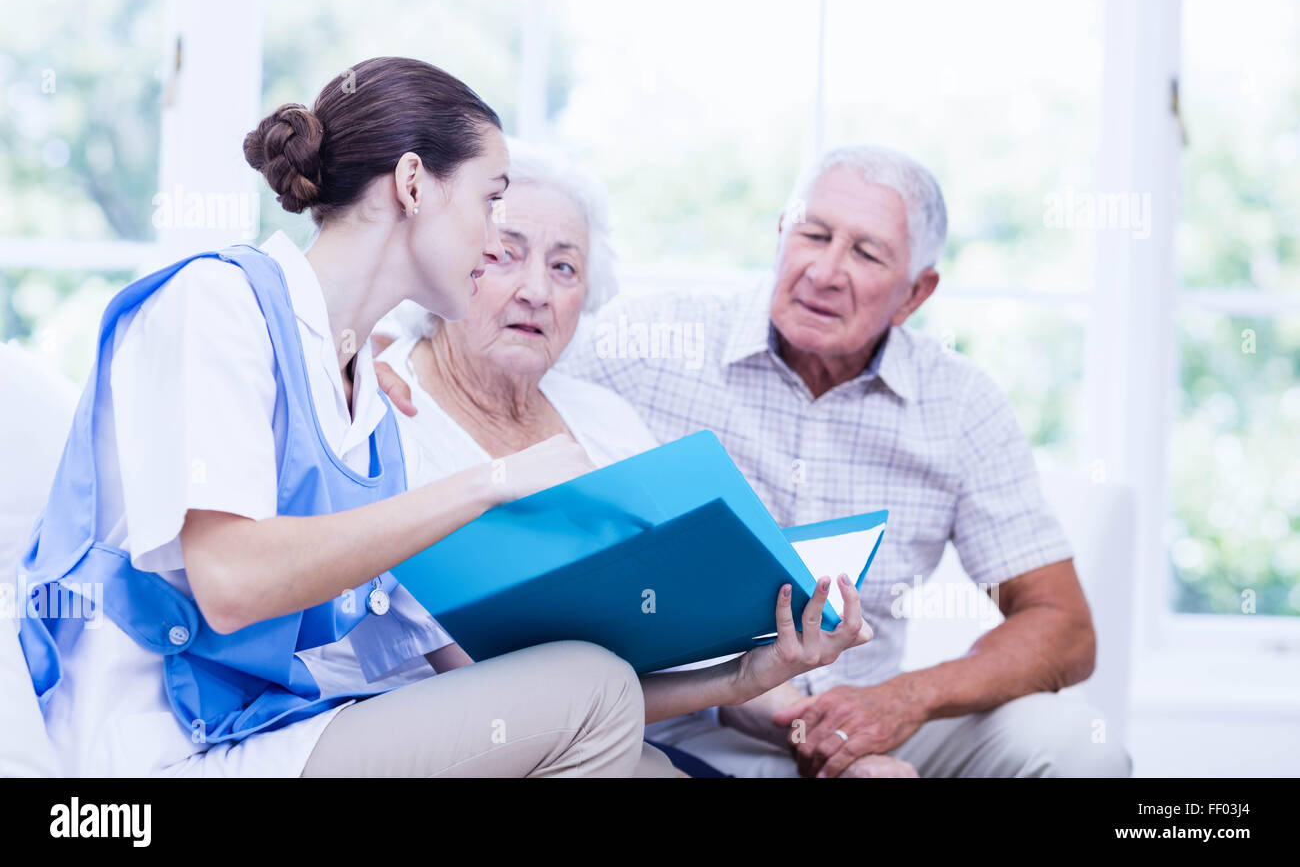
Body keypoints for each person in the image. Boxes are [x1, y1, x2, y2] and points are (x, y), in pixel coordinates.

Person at [376, 143, 1133, 778]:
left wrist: (905, 702)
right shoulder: (651, 347)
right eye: (811, 235)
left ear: (916, 293)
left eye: (867, 253)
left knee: (1072, 748)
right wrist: (372, 353)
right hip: (694, 714)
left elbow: (1064, 628)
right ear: (779, 234)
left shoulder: (960, 404)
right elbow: (493, 344)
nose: (826, 270)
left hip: (874, 708)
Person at [14, 57, 677, 778]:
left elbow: (472, 660)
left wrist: (740, 681)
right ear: (414, 183)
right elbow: (230, 583)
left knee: (614, 721)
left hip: (262, 734)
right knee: (594, 690)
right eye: (491, 201)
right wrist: (491, 479)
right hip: (151, 756)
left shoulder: (371, 412)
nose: (493, 242)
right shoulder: (217, 304)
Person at [359, 140, 871, 743]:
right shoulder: (383, 415)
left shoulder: (605, 418)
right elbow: (499, 690)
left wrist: (826, 735)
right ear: (453, 263)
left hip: (610, 738)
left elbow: (682, 637)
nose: (536, 292)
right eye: (503, 255)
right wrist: (735, 681)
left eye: (564, 268)